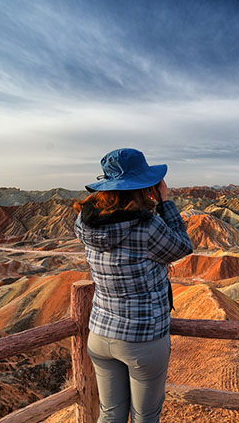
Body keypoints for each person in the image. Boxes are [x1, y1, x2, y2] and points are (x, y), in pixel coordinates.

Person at [73, 148, 193, 423]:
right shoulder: (147, 227)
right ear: (143, 186)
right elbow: (183, 246)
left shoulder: (84, 223)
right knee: (145, 417)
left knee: (110, 414)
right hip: (142, 338)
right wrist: (165, 201)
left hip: (100, 335)